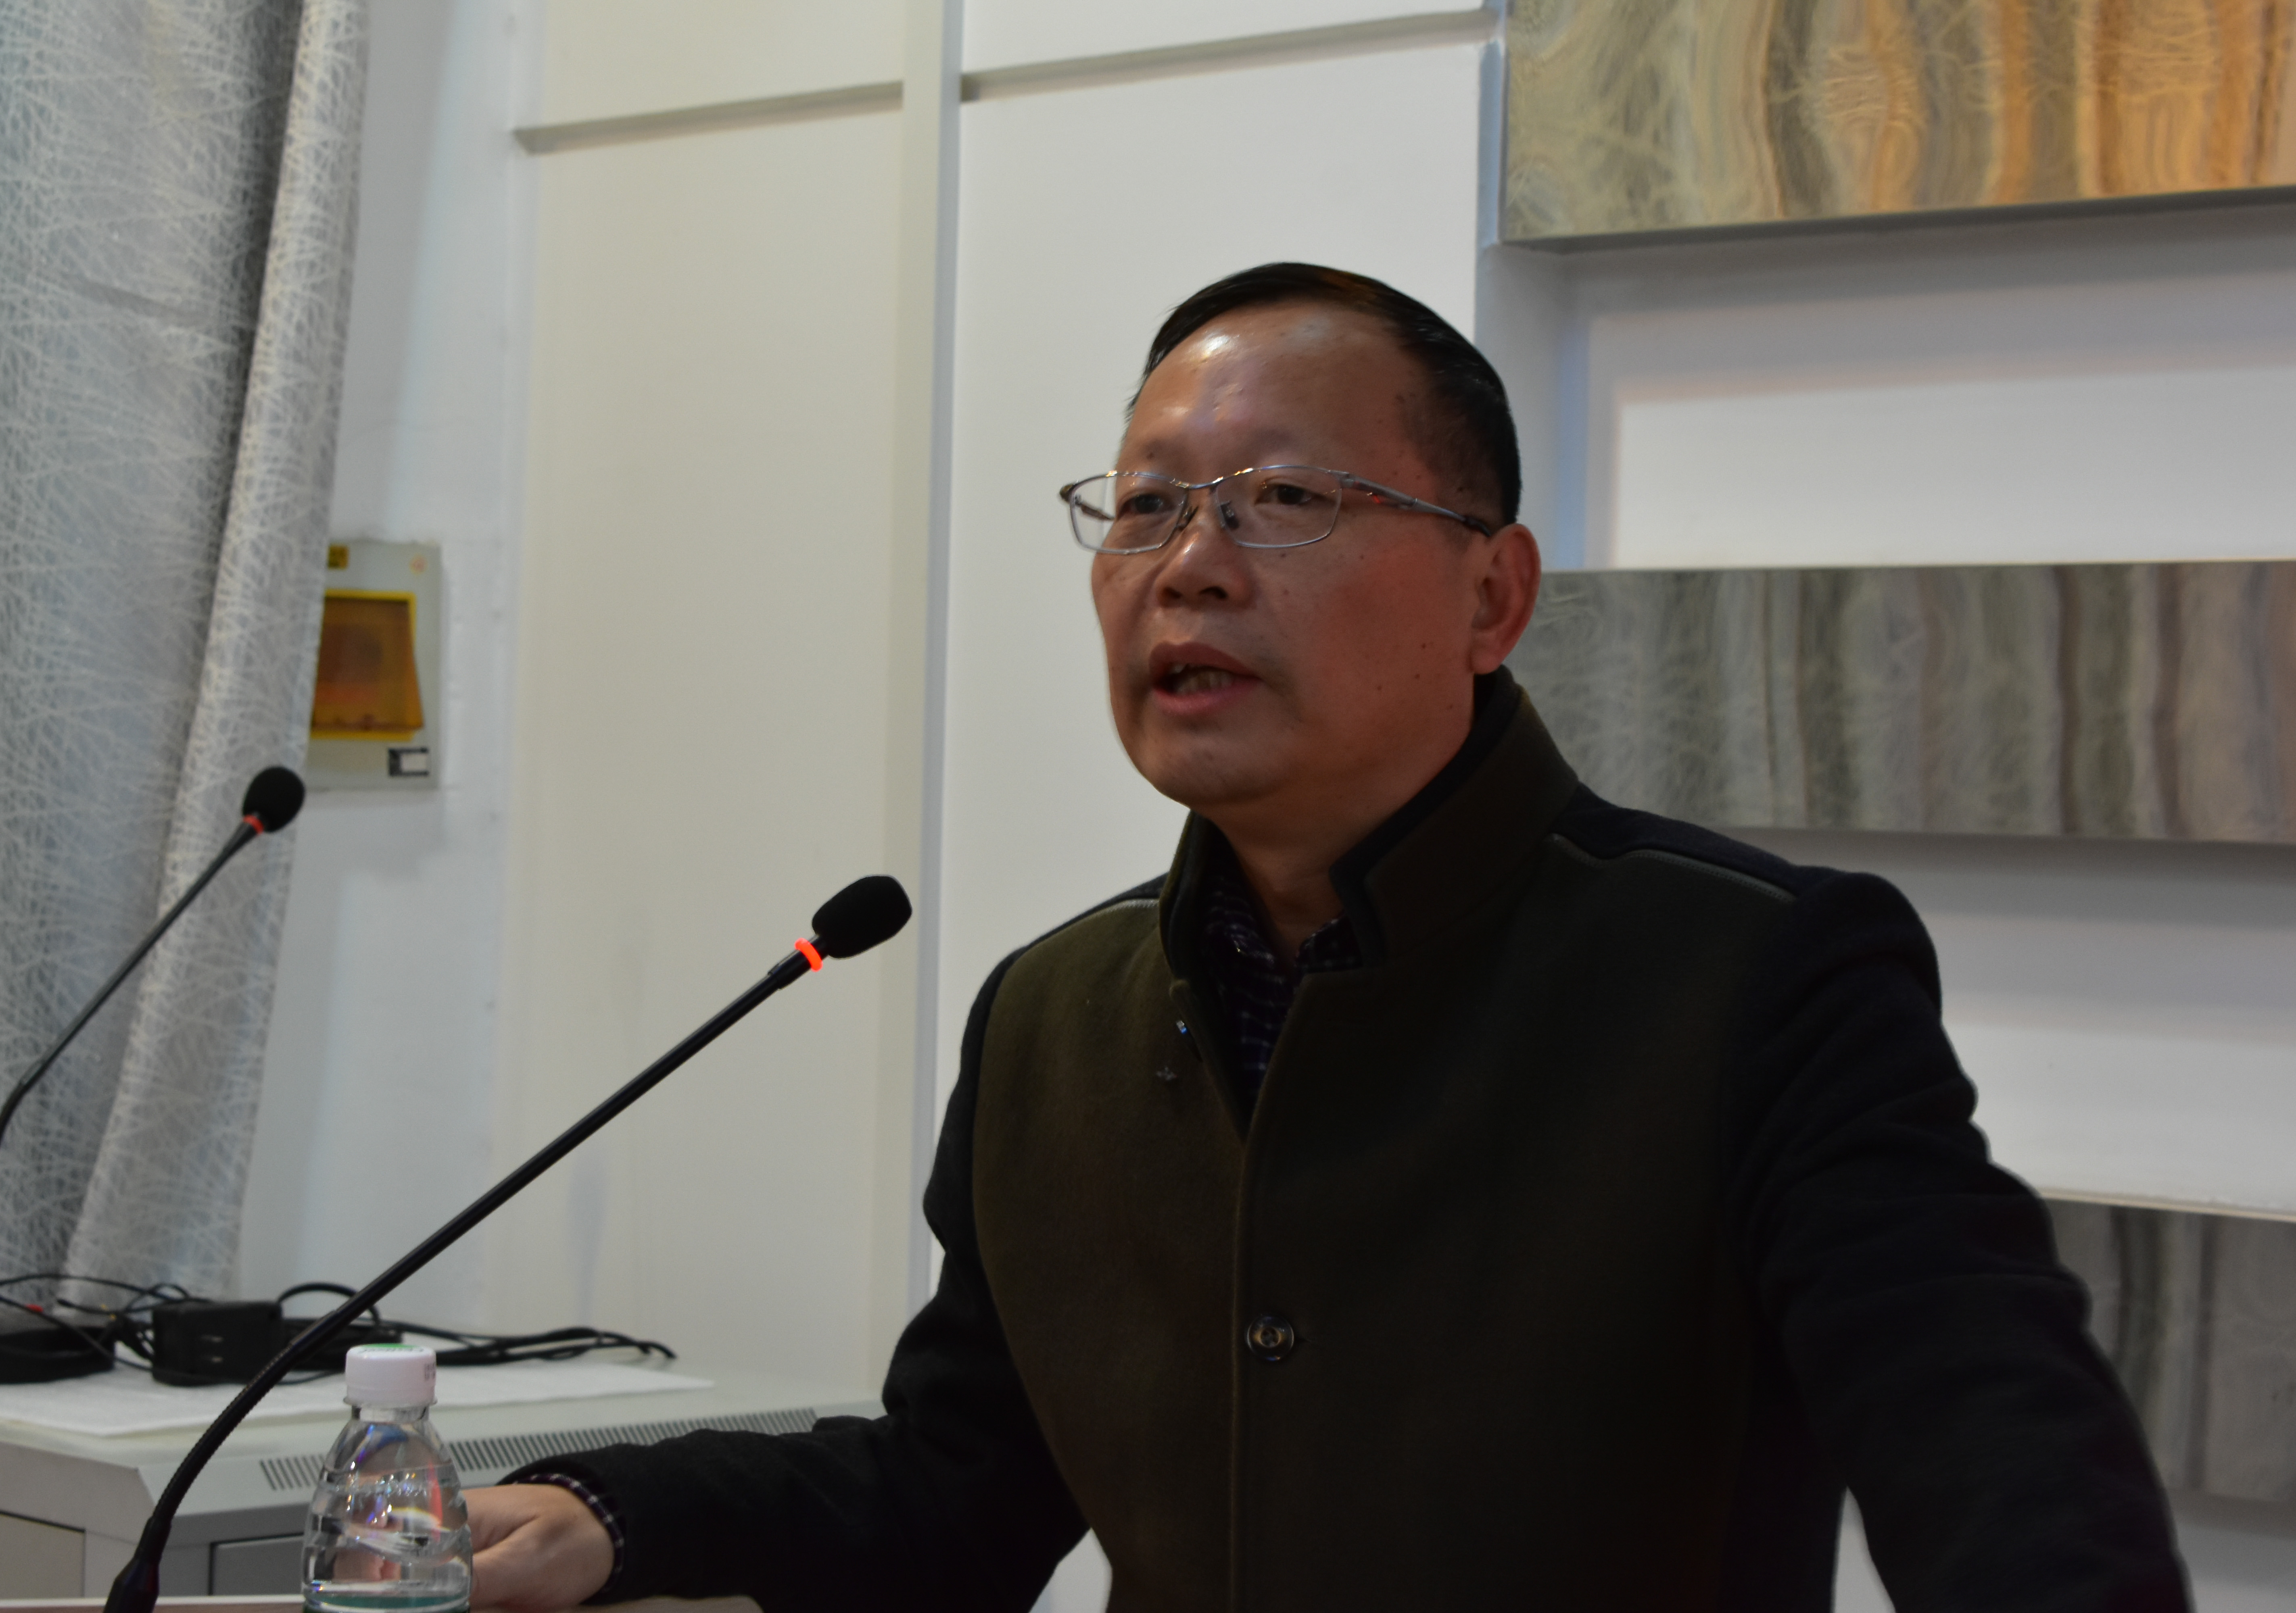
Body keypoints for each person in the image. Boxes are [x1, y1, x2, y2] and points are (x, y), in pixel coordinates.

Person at [465, 264, 2188, 1611]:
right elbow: (954, 1496)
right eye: (1147, 506)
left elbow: (2005, 1472)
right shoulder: (1056, 1016)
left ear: (1492, 596)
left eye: (1283, 499)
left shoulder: (1755, 978)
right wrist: (616, 1510)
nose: (1190, 566)